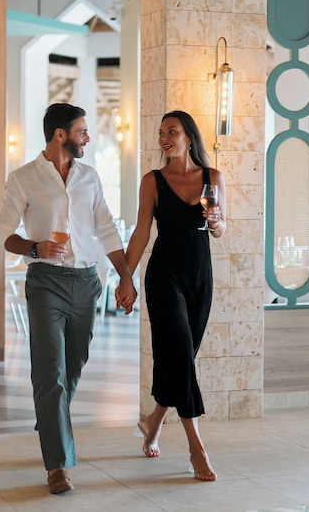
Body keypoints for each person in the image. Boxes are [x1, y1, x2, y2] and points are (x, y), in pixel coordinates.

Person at [0, 102, 137, 495]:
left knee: (74, 365)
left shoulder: (90, 177)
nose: (88, 137)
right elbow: (1, 232)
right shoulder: (23, 178)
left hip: (86, 282)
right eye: (82, 131)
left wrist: (126, 276)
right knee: (50, 372)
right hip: (45, 283)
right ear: (61, 134)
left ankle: (49, 419)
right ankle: (57, 465)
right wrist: (34, 248)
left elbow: (106, 229)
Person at [126, 110, 226, 482]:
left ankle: (152, 423)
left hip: (200, 279)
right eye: (161, 132)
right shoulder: (152, 181)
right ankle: (196, 448)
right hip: (164, 276)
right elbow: (141, 232)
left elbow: (220, 228)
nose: (164, 138)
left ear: (189, 137)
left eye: (172, 131)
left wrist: (216, 221)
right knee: (181, 355)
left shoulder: (213, 178)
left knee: (179, 359)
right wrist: (126, 278)